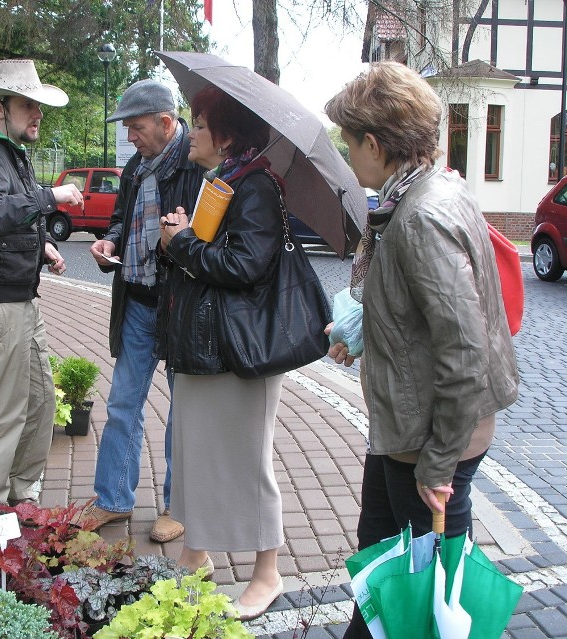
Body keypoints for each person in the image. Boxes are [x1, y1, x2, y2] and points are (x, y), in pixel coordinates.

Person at [323, 62, 519, 638]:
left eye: (349, 142)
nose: (347, 155)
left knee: (424, 596)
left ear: (376, 144)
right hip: (408, 426)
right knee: (384, 568)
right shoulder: (427, 189)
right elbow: (421, 316)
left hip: (432, 439)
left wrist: (439, 464)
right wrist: (365, 336)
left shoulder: (418, 217)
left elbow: (466, 350)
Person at [158, 85, 287, 620]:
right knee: (195, 453)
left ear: (226, 134)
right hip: (205, 348)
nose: (192, 132)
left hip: (237, 352)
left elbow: (243, 267)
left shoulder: (254, 186)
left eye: (200, 122)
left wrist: (183, 242)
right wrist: (181, 239)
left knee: (246, 459)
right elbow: (209, 259)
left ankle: (267, 572)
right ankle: (196, 553)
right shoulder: (223, 180)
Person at [0, 59, 83, 506]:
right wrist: (50, 197)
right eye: (28, 104)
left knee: (40, 401)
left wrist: (42, 242)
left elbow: (9, 214)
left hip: (18, 302)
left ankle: (21, 499)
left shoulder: (9, 153)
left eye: (39, 105)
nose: (38, 113)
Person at [83, 79, 204, 542]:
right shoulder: (136, 166)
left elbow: (209, 243)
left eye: (136, 128)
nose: (130, 138)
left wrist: (183, 238)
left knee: (184, 411)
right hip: (135, 300)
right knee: (122, 404)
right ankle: (114, 499)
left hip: (177, 307)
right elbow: (120, 217)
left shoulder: (197, 166)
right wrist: (110, 240)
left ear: (166, 123)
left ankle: (179, 505)